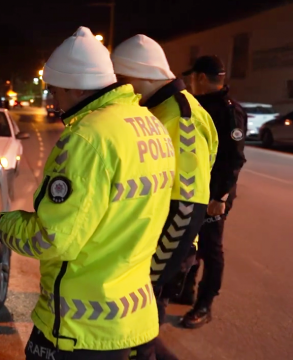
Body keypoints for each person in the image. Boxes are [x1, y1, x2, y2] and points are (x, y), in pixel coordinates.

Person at [0, 27, 175, 360]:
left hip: (79, 328)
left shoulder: (87, 139)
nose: (53, 100)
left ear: (75, 86)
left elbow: (53, 239)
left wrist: (5, 226)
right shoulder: (150, 125)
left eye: (55, 90)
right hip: (131, 317)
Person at [112, 34, 220, 360]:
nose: (120, 87)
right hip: (150, 253)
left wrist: (152, 274)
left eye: (123, 79)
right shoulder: (162, 109)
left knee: (137, 344)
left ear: (143, 75)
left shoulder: (181, 117)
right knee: (138, 343)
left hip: (161, 255)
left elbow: (187, 208)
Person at [178, 56, 247, 329]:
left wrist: (220, 198)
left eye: (193, 78)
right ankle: (187, 290)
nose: (191, 82)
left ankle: (205, 304)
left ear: (202, 78)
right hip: (193, 191)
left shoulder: (229, 111)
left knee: (211, 248)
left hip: (213, 197)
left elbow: (235, 159)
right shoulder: (198, 106)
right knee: (190, 242)